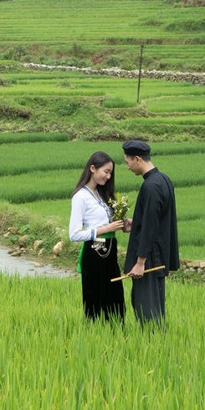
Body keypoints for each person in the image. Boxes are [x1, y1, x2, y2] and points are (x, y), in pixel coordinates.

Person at [121, 139, 179, 325]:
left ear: (137, 159)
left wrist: (140, 262)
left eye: (127, 162)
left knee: (146, 310)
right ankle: (156, 345)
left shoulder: (151, 187)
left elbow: (151, 226)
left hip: (150, 260)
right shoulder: (163, 179)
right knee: (154, 308)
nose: (128, 167)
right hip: (158, 256)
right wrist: (135, 224)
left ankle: (151, 346)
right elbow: (155, 220)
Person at [68, 151, 126, 321]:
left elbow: (107, 223)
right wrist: (105, 228)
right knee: (95, 302)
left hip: (110, 252)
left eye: (110, 173)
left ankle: (116, 337)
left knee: (116, 301)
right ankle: (95, 339)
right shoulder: (81, 197)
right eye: (106, 172)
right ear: (92, 168)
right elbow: (74, 234)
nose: (108, 177)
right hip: (94, 252)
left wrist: (122, 223)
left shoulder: (102, 195)